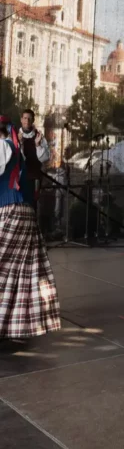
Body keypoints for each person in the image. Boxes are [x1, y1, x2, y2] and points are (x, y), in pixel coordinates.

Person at [0, 116, 60, 342]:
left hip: (9, 213)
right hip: (24, 213)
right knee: (18, 274)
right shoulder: (16, 151)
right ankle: (16, 329)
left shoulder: (2, 148)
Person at [17, 109, 50, 206]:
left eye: (29, 119)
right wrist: (20, 144)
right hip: (18, 179)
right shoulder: (15, 136)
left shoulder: (39, 136)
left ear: (33, 121)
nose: (27, 121)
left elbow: (45, 158)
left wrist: (37, 145)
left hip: (34, 178)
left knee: (32, 207)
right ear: (21, 120)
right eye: (25, 118)